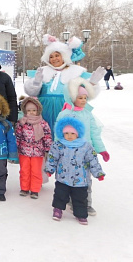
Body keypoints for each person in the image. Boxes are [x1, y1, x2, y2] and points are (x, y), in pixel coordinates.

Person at [24, 34, 105, 135]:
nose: (54, 59)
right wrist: (36, 82)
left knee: (65, 134)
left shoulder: (76, 72)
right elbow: (31, 92)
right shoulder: (42, 71)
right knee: (44, 135)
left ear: (64, 56)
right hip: (43, 109)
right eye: (51, 57)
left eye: (57, 55)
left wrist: (92, 83)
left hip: (66, 109)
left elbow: (83, 96)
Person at [55, 77, 109, 215]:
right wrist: (56, 151)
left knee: (85, 181)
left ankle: (86, 204)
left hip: (85, 154)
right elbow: (58, 134)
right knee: (65, 179)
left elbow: (95, 133)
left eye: (85, 97)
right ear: (72, 97)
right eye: (80, 97)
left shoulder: (88, 114)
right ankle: (69, 200)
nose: (83, 100)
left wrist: (101, 149)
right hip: (67, 153)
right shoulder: (64, 114)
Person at [45, 117, 105, 225]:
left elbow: (92, 160)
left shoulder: (86, 146)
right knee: (60, 195)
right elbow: (52, 158)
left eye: (72, 133)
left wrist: (98, 173)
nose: (69, 136)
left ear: (78, 133)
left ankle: (81, 214)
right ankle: (58, 209)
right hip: (63, 178)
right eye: (66, 133)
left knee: (80, 198)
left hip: (81, 180)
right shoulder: (58, 145)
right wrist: (50, 169)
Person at [15, 97, 52, 199]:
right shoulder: (22, 122)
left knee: (36, 171)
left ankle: (35, 189)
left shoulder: (43, 123)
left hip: (38, 152)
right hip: (24, 151)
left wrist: (47, 149)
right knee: (24, 170)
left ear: (38, 110)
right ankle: (24, 188)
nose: (31, 113)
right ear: (25, 111)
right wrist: (15, 148)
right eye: (29, 110)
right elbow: (18, 136)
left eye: (34, 110)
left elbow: (47, 136)